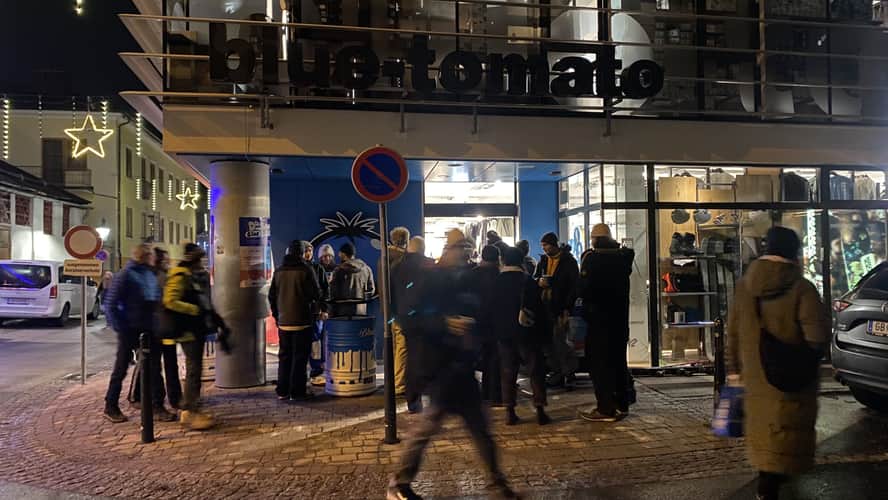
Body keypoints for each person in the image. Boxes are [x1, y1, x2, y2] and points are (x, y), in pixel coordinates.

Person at [386, 229, 517, 500]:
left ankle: (498, 484)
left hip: (461, 368)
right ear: (449, 250)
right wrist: (444, 323)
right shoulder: (429, 278)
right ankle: (399, 483)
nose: (466, 256)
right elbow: (409, 318)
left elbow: (478, 314)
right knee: (428, 428)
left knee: (480, 430)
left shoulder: (466, 279)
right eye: (462, 250)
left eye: (468, 251)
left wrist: (475, 331)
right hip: (439, 368)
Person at [725, 226, 829, 500]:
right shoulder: (802, 288)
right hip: (793, 377)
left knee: (766, 432)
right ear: (793, 252)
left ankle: (768, 482)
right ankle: (772, 483)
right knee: (787, 433)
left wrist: (734, 369)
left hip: (755, 378)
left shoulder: (744, 287)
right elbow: (817, 336)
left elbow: (732, 333)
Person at [103, 243, 175, 423]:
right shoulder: (126, 275)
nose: (154, 257)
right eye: (150, 254)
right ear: (144, 256)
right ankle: (111, 405)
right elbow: (110, 304)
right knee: (121, 368)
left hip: (150, 328)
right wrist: (121, 327)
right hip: (130, 329)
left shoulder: (150, 274)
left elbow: (155, 300)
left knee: (154, 369)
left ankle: (157, 406)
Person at [577, 224, 636, 422]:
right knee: (618, 362)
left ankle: (605, 408)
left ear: (594, 239)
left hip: (599, 320)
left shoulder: (592, 259)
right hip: (619, 321)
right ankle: (621, 404)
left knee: (599, 365)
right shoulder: (623, 258)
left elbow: (584, 289)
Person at [163, 243, 223, 430]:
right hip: (187, 330)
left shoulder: (191, 275)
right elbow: (170, 301)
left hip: (195, 329)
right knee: (193, 371)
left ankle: (191, 409)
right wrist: (194, 310)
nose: (201, 263)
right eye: (199, 259)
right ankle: (189, 412)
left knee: (195, 370)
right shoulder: (180, 275)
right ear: (193, 260)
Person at [493, 247, 550, 426]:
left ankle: (510, 411)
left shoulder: (497, 282)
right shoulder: (528, 281)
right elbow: (539, 309)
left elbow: (491, 310)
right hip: (527, 333)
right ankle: (540, 408)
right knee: (535, 371)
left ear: (503, 260)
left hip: (505, 334)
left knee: (508, 372)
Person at [269, 240, 324, 401]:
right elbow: (316, 294)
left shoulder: (279, 271)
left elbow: (272, 296)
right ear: (301, 253)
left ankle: (282, 390)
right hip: (302, 321)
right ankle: (297, 391)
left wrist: (277, 316)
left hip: (284, 322)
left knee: (284, 356)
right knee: (300, 357)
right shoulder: (306, 270)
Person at [131, 248, 183, 410]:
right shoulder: (157, 278)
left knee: (160, 364)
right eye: (166, 260)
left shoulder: (160, 276)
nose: (169, 263)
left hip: (164, 328)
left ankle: (168, 398)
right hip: (158, 329)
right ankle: (164, 400)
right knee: (156, 366)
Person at [391, 236, 435, 414]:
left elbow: (391, 293)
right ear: (422, 249)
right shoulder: (428, 265)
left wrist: (395, 314)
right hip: (425, 318)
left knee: (410, 357)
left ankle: (413, 400)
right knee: (426, 356)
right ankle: (431, 396)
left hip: (404, 319)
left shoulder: (397, 267)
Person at [533, 232, 579, 388]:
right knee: (548, 342)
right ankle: (557, 372)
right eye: (542, 246)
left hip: (559, 307)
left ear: (554, 245)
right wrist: (538, 282)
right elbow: (534, 278)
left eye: (546, 245)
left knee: (560, 341)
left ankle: (568, 373)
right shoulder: (543, 261)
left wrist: (567, 307)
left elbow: (573, 286)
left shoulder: (568, 262)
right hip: (544, 307)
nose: (544, 249)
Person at [471, 245, 503, 406]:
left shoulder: (473, 274)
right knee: (495, 359)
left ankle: (481, 394)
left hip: (476, 323)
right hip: (496, 323)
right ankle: (494, 394)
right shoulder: (500, 276)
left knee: (478, 358)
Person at [386, 227, 411, 398]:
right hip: (401, 309)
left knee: (394, 346)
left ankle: (393, 380)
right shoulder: (402, 259)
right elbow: (405, 286)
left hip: (389, 309)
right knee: (402, 346)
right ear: (405, 241)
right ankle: (399, 384)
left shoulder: (384, 257)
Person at [304, 242, 330, 386]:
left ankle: (316, 370)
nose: (308, 253)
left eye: (310, 250)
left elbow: (325, 290)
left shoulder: (317, 268)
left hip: (315, 312)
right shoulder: (298, 269)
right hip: (301, 312)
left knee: (316, 341)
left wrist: (324, 309)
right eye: (306, 251)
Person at [329, 242, 376, 317]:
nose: (339, 255)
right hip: (361, 312)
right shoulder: (367, 269)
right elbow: (371, 290)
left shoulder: (338, 270)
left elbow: (333, 291)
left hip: (341, 313)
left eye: (340, 253)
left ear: (343, 254)